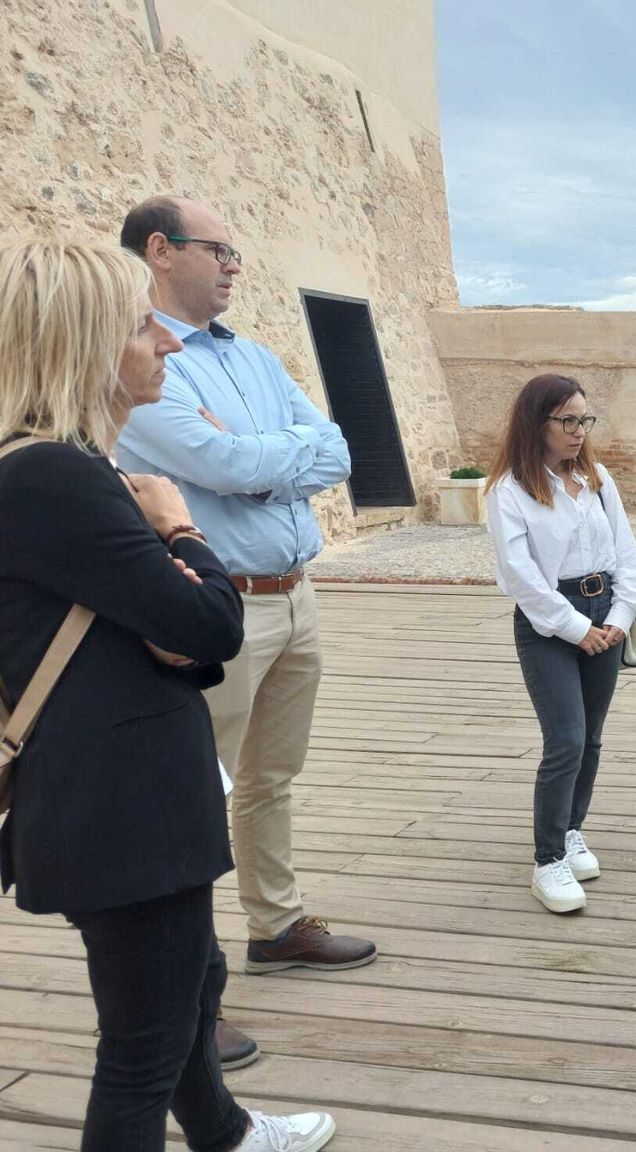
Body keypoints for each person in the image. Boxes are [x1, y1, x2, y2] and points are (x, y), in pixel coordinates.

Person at [0, 238, 336, 1150]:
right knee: (142, 1046)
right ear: (82, 342)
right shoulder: (55, 476)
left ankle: (225, 1131)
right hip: (122, 807)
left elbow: (161, 632)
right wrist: (180, 528)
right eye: (141, 327)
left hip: (120, 794)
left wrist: (172, 605)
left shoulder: (49, 468)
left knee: (189, 985)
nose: (169, 343)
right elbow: (210, 627)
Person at [113, 198, 376, 1009]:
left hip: (294, 596)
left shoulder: (255, 356)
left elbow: (336, 449)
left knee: (271, 777)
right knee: (196, 790)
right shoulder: (138, 360)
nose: (234, 265)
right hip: (215, 605)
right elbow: (216, 463)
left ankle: (276, 924)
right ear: (161, 250)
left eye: (234, 252)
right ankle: (186, 992)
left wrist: (258, 464)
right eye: (219, 249)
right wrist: (270, 460)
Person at [486, 374, 636, 914]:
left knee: (592, 738)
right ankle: (548, 859)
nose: (579, 431)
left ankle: (572, 828)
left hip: (608, 614)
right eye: (568, 420)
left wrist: (621, 616)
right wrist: (578, 629)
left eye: (584, 419)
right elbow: (522, 578)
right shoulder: (510, 492)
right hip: (550, 624)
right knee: (566, 740)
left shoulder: (597, 478)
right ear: (538, 424)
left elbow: (627, 554)